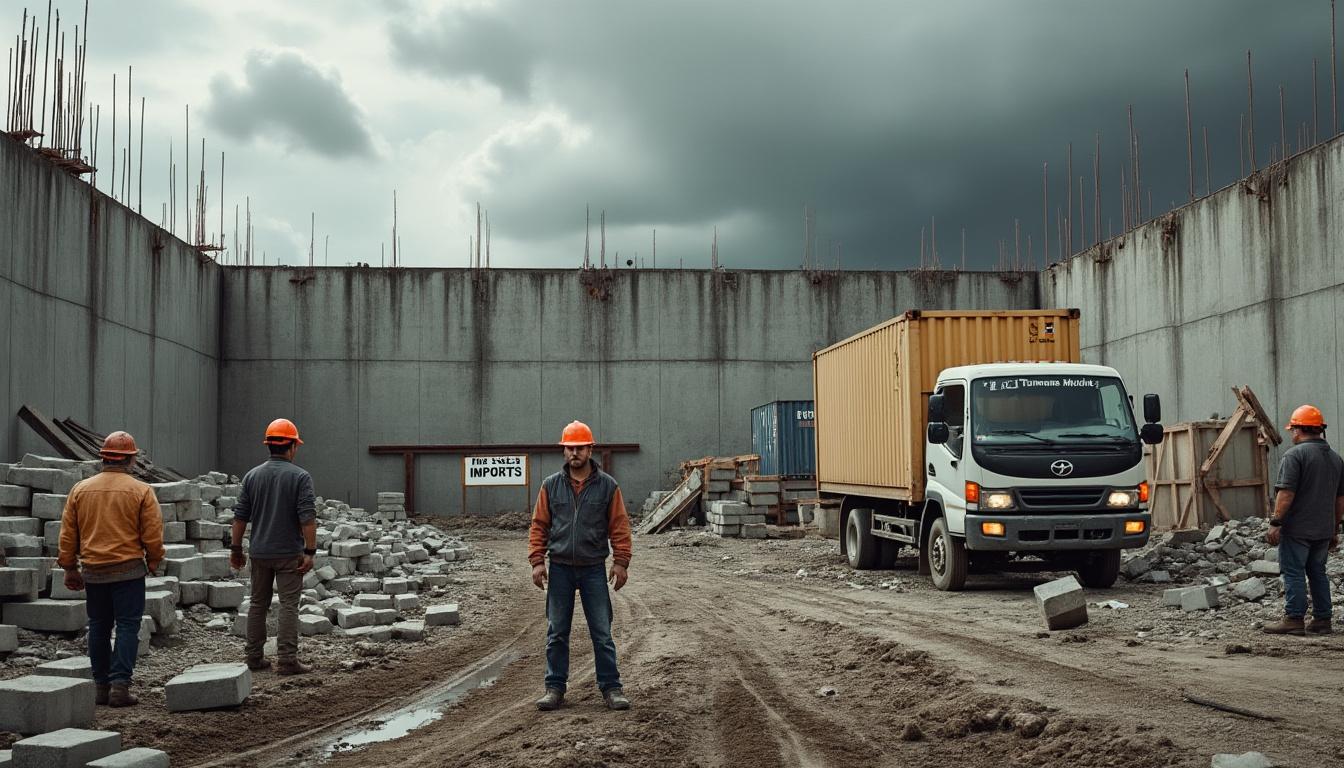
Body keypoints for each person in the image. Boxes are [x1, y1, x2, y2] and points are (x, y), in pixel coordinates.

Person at [528, 420, 633, 711]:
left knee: (602, 631)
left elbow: (620, 526)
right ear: (564, 451)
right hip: (559, 567)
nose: (574, 453)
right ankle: (554, 688)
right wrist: (537, 562)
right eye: (569, 448)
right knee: (557, 631)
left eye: (580, 448)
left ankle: (612, 688)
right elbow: (538, 526)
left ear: (590, 449)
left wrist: (621, 561)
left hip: (593, 569)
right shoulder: (551, 486)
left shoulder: (608, 487)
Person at [57, 431, 165, 707]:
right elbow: (152, 532)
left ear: (103, 458)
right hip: (128, 571)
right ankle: (120, 686)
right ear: (131, 459)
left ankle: (101, 688)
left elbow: (68, 534)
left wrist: (70, 567)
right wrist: (154, 559)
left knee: (99, 626)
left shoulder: (80, 490)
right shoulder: (141, 491)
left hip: (94, 571)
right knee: (128, 626)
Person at [230, 418, 317, 674]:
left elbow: (240, 517)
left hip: (259, 552)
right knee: (289, 604)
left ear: (268, 445)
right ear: (291, 446)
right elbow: (307, 518)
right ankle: (287, 660)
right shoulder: (300, 477)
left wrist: (236, 550)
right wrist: (310, 551)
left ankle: (254, 658)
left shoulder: (252, 476)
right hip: (289, 553)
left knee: (258, 604)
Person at [1263, 404, 1344, 635]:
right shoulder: (1336, 459)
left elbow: (1286, 493)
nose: (1291, 434)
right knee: (1318, 572)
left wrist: (1276, 522)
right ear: (1320, 430)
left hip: (1298, 529)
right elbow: (1340, 500)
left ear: (1298, 429)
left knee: (1294, 571)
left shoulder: (1294, 455)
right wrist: (1334, 529)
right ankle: (1322, 619)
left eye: (1292, 430)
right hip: (1324, 529)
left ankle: (1294, 618)